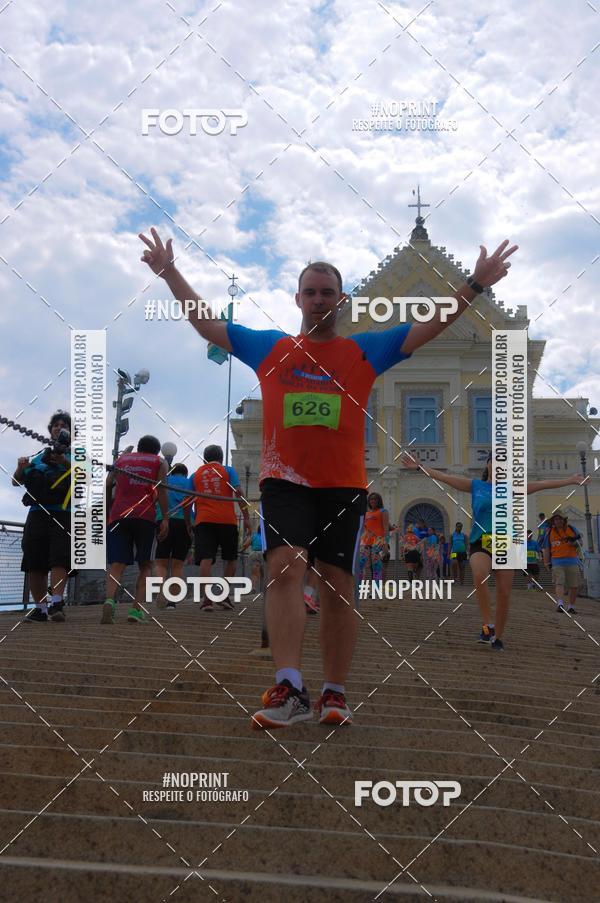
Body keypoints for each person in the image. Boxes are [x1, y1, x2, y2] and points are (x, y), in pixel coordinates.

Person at [140, 225, 517, 726]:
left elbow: (431, 324)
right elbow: (209, 325)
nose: (319, 299)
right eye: (311, 292)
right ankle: (289, 686)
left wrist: (475, 284)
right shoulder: (271, 347)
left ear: (341, 300)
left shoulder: (365, 350)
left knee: (338, 583)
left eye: (328, 292)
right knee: (285, 567)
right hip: (284, 481)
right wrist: (170, 273)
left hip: (342, 485)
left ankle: (334, 693)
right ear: (298, 298)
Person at [402, 451, 582, 650]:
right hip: (481, 541)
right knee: (479, 574)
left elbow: (543, 484)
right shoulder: (475, 486)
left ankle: (498, 637)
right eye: (494, 461)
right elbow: (443, 477)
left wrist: (570, 480)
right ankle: (487, 625)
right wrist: (419, 467)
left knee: (504, 593)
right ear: (487, 465)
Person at [13, 410, 72, 623]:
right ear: (50, 430)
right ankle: (41, 609)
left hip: (64, 513)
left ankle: (56, 603)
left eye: (64, 425)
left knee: (59, 558)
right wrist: (21, 468)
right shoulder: (39, 456)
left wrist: (64, 461)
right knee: (34, 560)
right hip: (37, 512)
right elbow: (16, 481)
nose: (59, 428)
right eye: (56, 425)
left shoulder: (78, 454)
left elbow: (86, 478)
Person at [102, 435, 169, 624]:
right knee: (145, 565)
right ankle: (135, 610)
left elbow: (108, 484)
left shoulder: (122, 460)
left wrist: (107, 512)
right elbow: (161, 489)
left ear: (139, 447)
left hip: (119, 515)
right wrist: (165, 517)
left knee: (117, 564)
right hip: (145, 517)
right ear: (156, 450)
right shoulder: (159, 461)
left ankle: (109, 601)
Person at [191, 445, 251, 611]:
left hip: (203, 521)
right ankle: (223, 595)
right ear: (221, 458)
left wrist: (189, 521)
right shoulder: (228, 470)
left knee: (206, 559)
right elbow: (239, 492)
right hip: (227, 521)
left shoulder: (195, 474)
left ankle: (207, 600)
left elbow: (187, 500)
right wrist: (246, 518)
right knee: (231, 558)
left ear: (205, 459)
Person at [153, 463, 193, 609]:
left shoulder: (164, 480)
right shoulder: (189, 483)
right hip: (184, 522)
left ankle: (161, 589)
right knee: (178, 565)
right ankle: (172, 602)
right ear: (185, 473)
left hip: (163, 521)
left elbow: (154, 499)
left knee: (161, 563)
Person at [541, 512, 582, 614]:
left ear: (564, 520)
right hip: (557, 561)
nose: (558, 521)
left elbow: (580, 543)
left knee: (574, 585)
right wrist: (546, 563)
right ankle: (560, 604)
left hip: (572, 561)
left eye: (560, 519)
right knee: (559, 582)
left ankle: (571, 606)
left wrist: (573, 542)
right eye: (556, 519)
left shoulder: (572, 529)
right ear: (553, 522)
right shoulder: (549, 532)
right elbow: (546, 548)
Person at [357, 492, 390, 586]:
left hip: (378, 543)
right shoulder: (366, 513)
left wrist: (385, 543)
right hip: (365, 542)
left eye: (375, 499)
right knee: (360, 564)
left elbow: (386, 528)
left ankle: (376, 588)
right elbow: (364, 529)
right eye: (371, 499)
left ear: (379, 501)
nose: (373, 501)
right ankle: (359, 588)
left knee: (376, 566)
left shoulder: (383, 511)